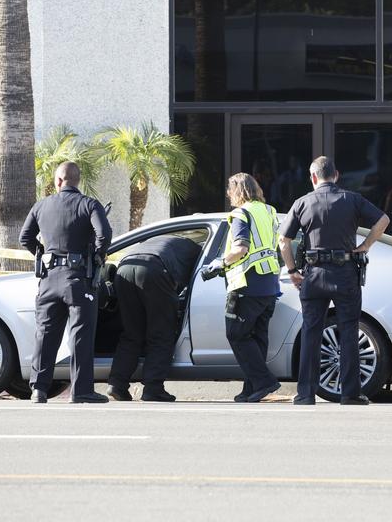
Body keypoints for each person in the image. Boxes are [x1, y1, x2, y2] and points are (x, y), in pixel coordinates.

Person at [278, 156, 389, 405]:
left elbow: (284, 241)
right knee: (348, 331)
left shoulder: (302, 203)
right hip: (345, 273)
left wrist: (292, 270)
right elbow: (383, 220)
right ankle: (349, 394)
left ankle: (305, 394)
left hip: (314, 274)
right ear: (336, 175)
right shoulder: (352, 199)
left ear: (313, 177)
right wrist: (366, 245)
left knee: (311, 333)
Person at [19, 161, 112, 404]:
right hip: (79, 279)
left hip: (48, 279)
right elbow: (104, 234)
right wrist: (98, 257)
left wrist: (42, 253)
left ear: (58, 181)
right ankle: (80, 391)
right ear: (77, 181)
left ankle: (38, 389)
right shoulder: (89, 204)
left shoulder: (41, 206)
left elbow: (25, 237)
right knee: (80, 335)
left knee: (45, 335)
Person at [205, 173, 282, 403]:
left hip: (246, 284)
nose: (228, 195)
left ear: (237, 191)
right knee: (257, 337)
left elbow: (240, 247)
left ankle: (264, 382)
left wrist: (220, 263)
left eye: (230, 190)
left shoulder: (241, 214)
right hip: (269, 285)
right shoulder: (269, 211)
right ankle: (251, 388)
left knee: (236, 334)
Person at [106, 234, 202, 402]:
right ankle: (153, 388)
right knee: (161, 333)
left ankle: (117, 384)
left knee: (131, 333)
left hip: (124, 268)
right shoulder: (197, 252)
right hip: (155, 269)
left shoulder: (158, 239)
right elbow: (193, 284)